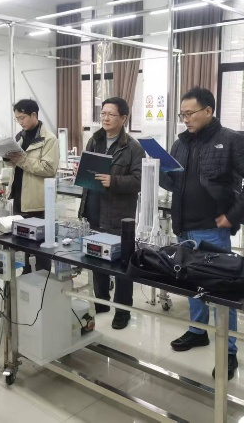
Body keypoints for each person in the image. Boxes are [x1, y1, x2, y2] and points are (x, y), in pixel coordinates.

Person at [160, 87, 244, 380]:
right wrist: (158, 170)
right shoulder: (180, 143)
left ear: (208, 111)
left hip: (213, 228)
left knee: (220, 289)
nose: (185, 119)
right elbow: (173, 184)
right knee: (189, 280)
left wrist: (233, 215)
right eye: (182, 114)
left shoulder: (231, 140)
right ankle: (197, 331)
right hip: (184, 225)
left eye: (190, 113)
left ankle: (229, 350)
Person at [78, 97, 145, 330]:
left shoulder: (133, 148)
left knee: (121, 264)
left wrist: (113, 181)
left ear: (124, 118)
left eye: (111, 114)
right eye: (103, 114)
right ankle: (102, 301)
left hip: (118, 214)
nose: (105, 118)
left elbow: (139, 180)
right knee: (96, 257)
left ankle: (122, 310)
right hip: (93, 208)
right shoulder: (94, 141)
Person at [7, 99, 59, 274]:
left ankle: (42, 279)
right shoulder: (19, 137)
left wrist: (21, 160)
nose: (20, 122)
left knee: (40, 247)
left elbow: (48, 168)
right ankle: (26, 278)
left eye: (22, 118)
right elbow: (16, 164)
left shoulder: (49, 140)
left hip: (38, 203)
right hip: (19, 198)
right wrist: (7, 157)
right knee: (22, 245)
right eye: (17, 119)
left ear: (34, 115)